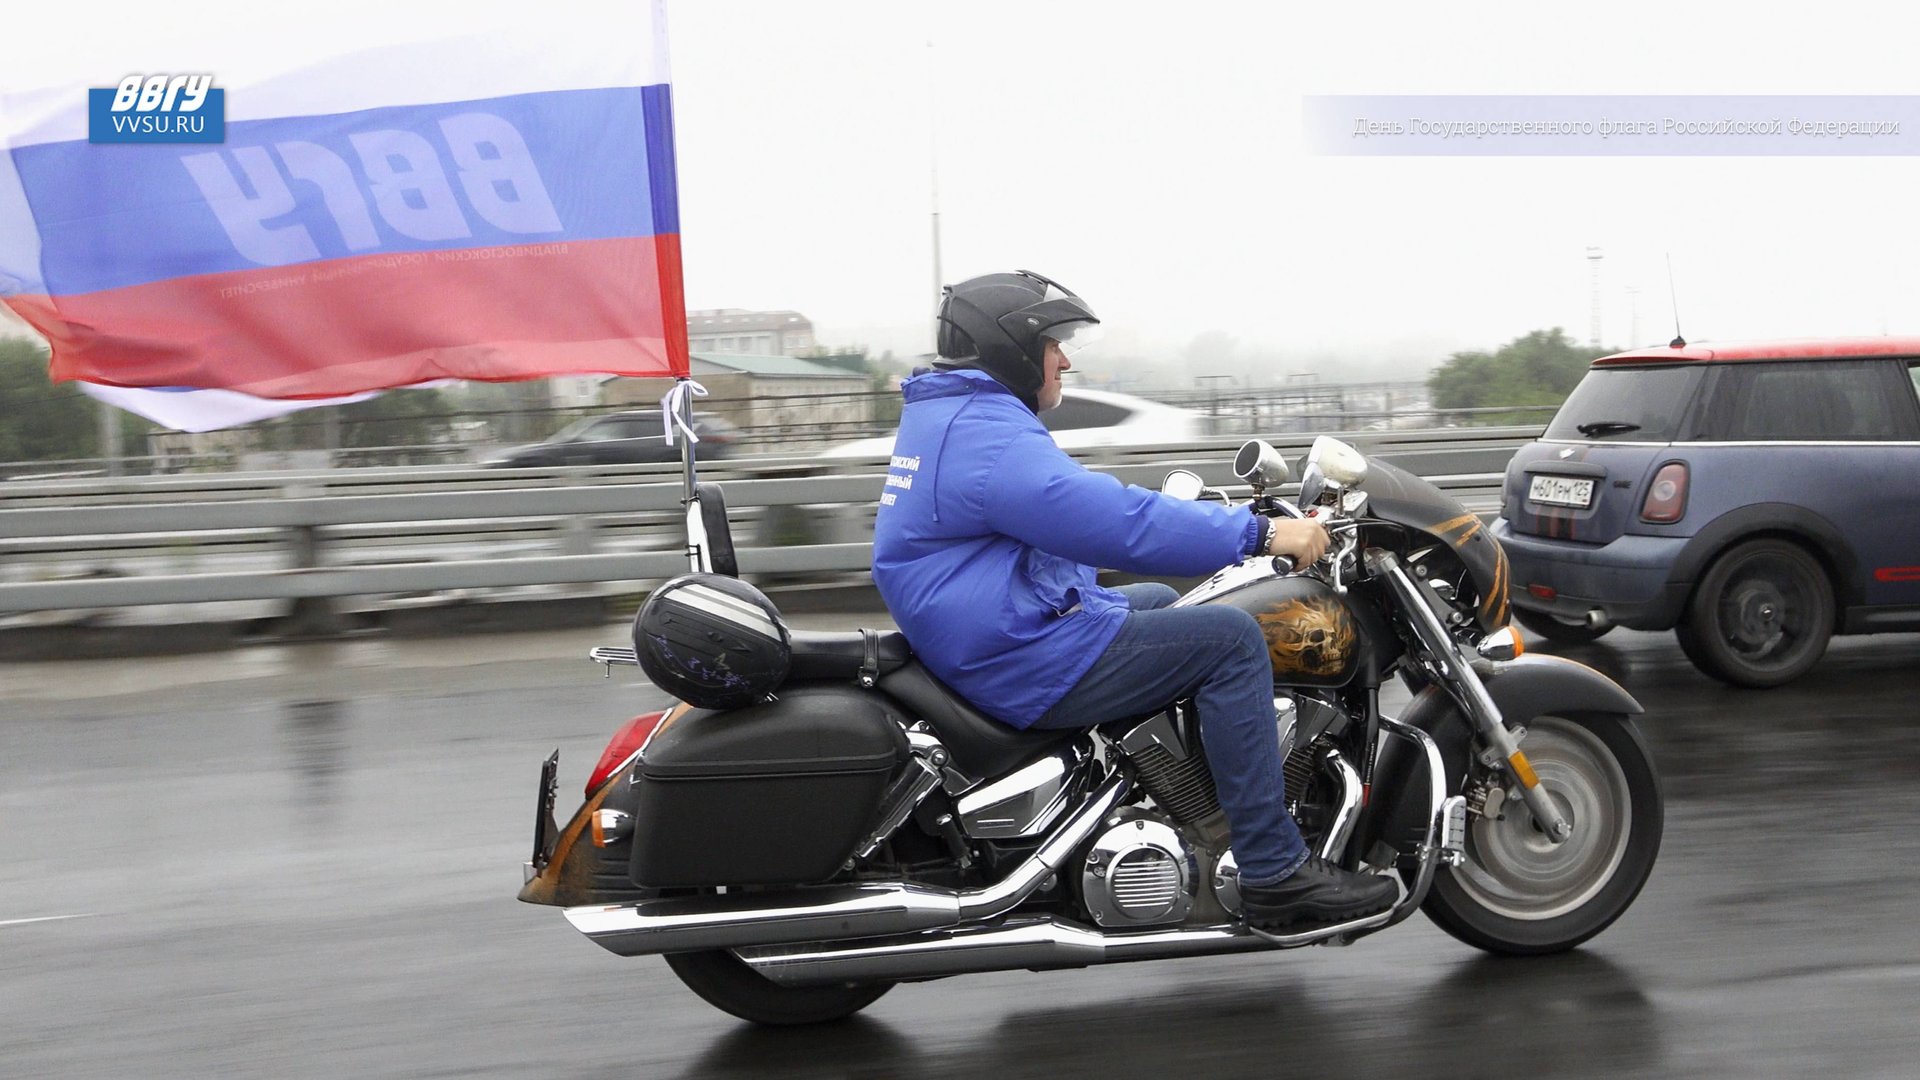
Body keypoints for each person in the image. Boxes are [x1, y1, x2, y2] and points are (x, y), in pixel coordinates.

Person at [871, 270, 1397, 933]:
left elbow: (1065, 504)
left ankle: (1180, 797)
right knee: (1231, 641)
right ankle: (1272, 868)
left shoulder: (953, 413)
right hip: (1015, 655)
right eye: (1053, 343)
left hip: (995, 632)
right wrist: (1260, 533)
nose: (1064, 358)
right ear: (1009, 348)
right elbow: (1109, 522)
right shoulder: (983, 433)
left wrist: (1180, 521)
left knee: (1154, 600)